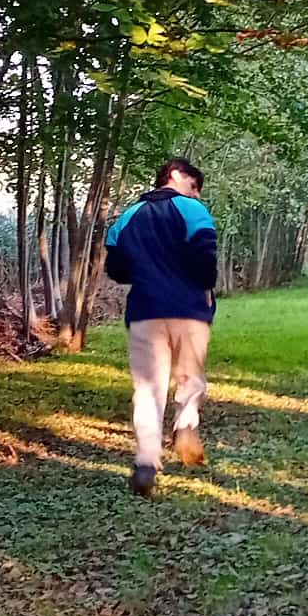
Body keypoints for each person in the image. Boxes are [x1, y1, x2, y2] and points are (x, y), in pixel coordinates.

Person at [104, 157, 217, 496]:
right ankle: (185, 428)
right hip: (189, 309)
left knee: (148, 388)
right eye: (193, 185)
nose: (195, 194)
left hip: (145, 310)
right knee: (190, 378)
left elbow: (117, 269)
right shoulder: (193, 211)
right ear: (175, 175)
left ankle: (146, 461)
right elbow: (206, 258)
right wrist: (204, 289)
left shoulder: (127, 217)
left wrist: (145, 272)